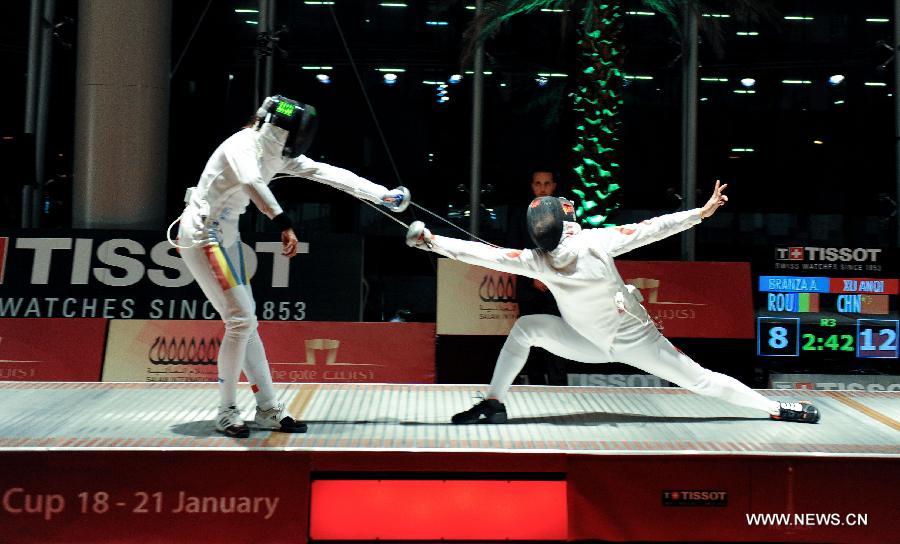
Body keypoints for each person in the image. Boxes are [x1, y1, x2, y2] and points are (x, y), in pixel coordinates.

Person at [406, 181, 820, 424]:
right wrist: (700, 213)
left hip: (591, 342)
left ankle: (494, 402)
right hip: (629, 339)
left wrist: (429, 241)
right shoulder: (595, 242)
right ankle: (776, 408)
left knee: (527, 329)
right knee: (702, 381)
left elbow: (482, 254)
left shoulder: (539, 261)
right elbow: (652, 229)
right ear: (566, 221)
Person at [175, 95, 409, 437]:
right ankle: (226, 411)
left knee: (245, 322)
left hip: (227, 236)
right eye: (294, 135)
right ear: (277, 130)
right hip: (202, 235)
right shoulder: (241, 146)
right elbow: (252, 183)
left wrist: (381, 195)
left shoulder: (274, 153)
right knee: (241, 319)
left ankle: (268, 409)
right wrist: (283, 221)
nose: (297, 144)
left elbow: (326, 173)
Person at [507, 169, 568, 385]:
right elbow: (514, 251)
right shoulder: (520, 214)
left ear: (554, 186)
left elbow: (569, 249)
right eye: (538, 183)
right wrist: (532, 277)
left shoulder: (564, 215)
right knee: (530, 340)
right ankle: (534, 387)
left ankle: (559, 388)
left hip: (556, 288)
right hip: (528, 286)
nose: (542, 188)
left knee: (558, 338)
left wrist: (549, 277)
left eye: (547, 183)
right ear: (532, 186)